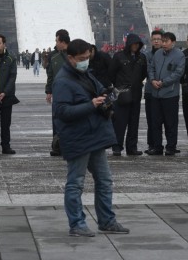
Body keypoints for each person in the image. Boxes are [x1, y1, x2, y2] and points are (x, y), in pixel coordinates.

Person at [52, 38, 129, 238]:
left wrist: (108, 95)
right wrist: (91, 105)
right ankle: (77, 223)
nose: (86, 61)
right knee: (76, 182)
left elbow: (99, 90)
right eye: (81, 58)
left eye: (88, 57)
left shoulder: (86, 73)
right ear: (70, 58)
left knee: (104, 180)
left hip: (95, 135)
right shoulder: (62, 81)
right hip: (77, 138)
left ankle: (107, 221)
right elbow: (61, 111)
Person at [146, 31, 185, 156]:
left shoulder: (179, 55)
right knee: (155, 122)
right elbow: (151, 68)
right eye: (163, 41)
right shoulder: (157, 54)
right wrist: (152, 80)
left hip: (170, 94)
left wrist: (163, 82)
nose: (163, 43)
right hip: (155, 93)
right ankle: (157, 147)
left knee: (170, 123)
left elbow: (178, 73)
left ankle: (171, 146)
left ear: (173, 42)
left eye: (166, 41)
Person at [108, 32, 147, 156]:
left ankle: (132, 147)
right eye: (133, 43)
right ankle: (117, 146)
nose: (135, 46)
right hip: (122, 94)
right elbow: (111, 74)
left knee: (134, 122)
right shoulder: (118, 56)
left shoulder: (141, 57)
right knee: (120, 122)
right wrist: (120, 85)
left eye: (137, 44)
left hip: (136, 94)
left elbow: (143, 73)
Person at [45, 29, 70, 157]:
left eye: (57, 40)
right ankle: (57, 146)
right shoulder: (54, 57)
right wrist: (48, 91)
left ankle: (70, 144)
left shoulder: (75, 55)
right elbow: (50, 74)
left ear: (62, 41)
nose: (55, 43)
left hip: (72, 93)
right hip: (58, 93)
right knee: (56, 120)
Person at [144, 29, 162, 152]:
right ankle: (152, 144)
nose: (156, 41)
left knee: (165, 120)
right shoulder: (146, 55)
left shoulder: (167, 54)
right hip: (150, 91)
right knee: (151, 120)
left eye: (158, 39)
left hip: (164, 91)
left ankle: (167, 144)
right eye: (154, 39)